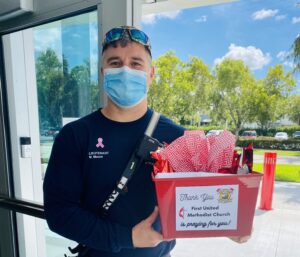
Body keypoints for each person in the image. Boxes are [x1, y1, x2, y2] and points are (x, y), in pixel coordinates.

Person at [43, 25, 185, 257]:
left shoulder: (177, 138)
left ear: (151, 74)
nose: (126, 71)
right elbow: (59, 213)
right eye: (115, 63)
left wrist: (230, 224)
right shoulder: (75, 136)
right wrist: (127, 238)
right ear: (102, 72)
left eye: (136, 63)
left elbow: (199, 200)